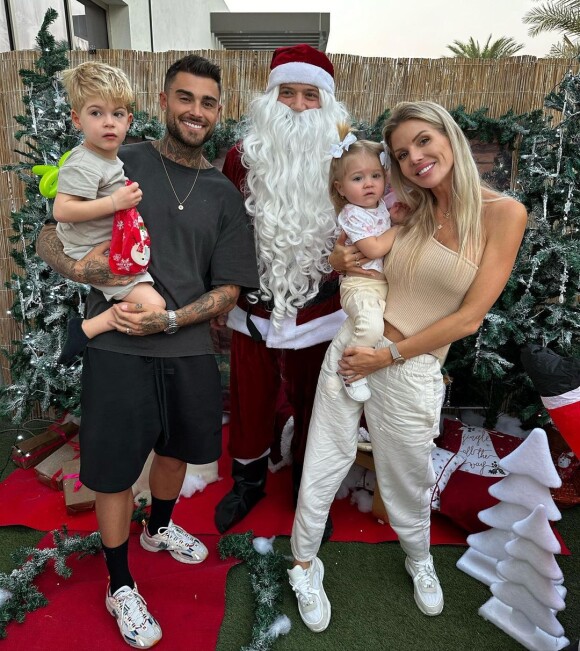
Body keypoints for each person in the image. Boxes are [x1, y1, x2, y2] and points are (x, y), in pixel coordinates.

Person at [36, 55, 258, 649]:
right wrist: (88, 267)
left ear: (218, 112)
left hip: (185, 347)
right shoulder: (118, 158)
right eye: (185, 98)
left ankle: (158, 528)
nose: (196, 110)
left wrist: (170, 318)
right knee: (110, 467)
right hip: (115, 344)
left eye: (208, 102)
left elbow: (229, 289)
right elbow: (48, 233)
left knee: (179, 448)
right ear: (162, 103)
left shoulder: (222, 195)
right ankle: (118, 582)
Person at [287, 101, 527, 632]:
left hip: (409, 366)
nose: (415, 158)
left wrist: (387, 356)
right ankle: (303, 563)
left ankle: (419, 559)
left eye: (422, 141)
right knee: (323, 459)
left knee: (407, 478)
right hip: (354, 348)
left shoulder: (502, 214)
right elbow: (357, 251)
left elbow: (468, 319)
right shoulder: (406, 205)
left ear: (449, 134)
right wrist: (338, 260)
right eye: (401, 153)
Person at [214, 44, 351, 534]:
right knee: (249, 397)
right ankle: (247, 482)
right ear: (269, 99)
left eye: (309, 95)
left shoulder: (348, 155)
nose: (296, 105)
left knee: (320, 398)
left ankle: (308, 490)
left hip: (322, 309)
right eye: (287, 93)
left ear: (327, 102)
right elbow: (225, 230)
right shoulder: (241, 157)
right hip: (254, 306)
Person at [53, 61, 165, 365]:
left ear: (128, 120)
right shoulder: (84, 162)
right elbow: (62, 210)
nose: (108, 123)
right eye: (96, 113)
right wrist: (115, 203)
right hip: (90, 249)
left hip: (104, 243)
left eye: (116, 114)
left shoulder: (106, 158)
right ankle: (90, 326)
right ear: (77, 119)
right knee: (155, 309)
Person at [328, 124, 400, 402]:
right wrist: (400, 228)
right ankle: (351, 370)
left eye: (375, 176)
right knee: (370, 327)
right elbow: (374, 247)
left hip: (381, 286)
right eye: (358, 178)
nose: (369, 183)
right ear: (341, 188)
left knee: (381, 330)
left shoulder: (381, 205)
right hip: (360, 286)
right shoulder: (351, 214)